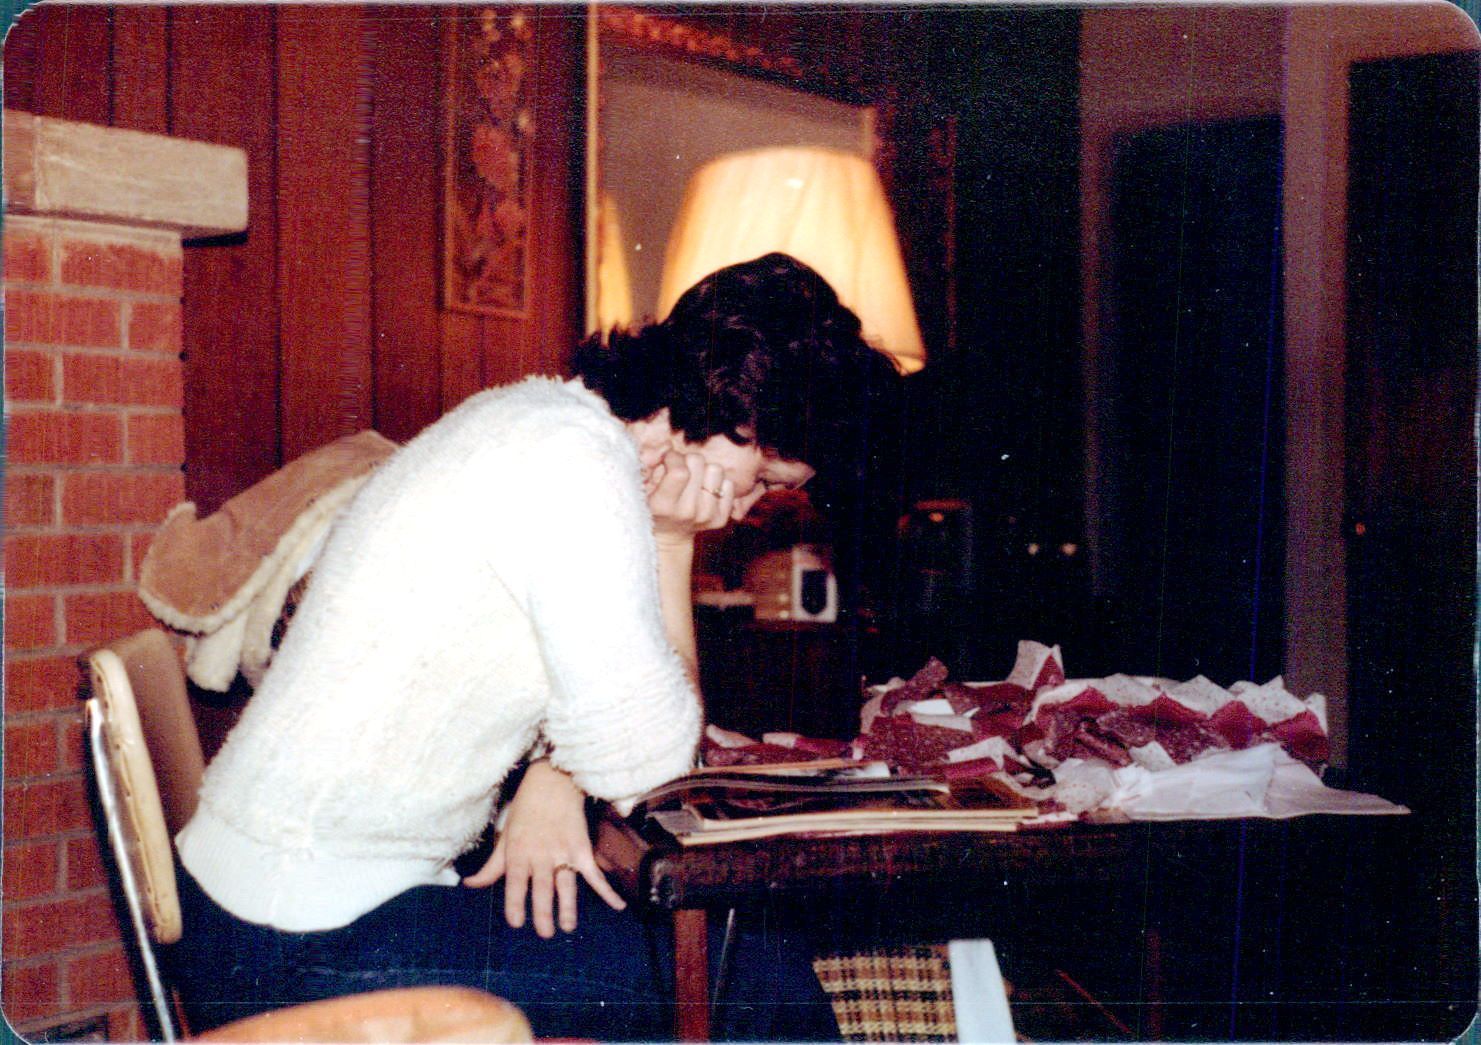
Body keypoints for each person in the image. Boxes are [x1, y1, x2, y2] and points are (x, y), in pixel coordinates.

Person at [167, 252, 901, 1040]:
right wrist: (673, 543)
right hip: (295, 938)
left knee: (725, 949)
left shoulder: (549, 420)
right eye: (763, 478)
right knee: (754, 976)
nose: (751, 504)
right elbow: (653, 767)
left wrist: (558, 773)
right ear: (734, 414)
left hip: (286, 895)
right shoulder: (574, 466)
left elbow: (592, 699)